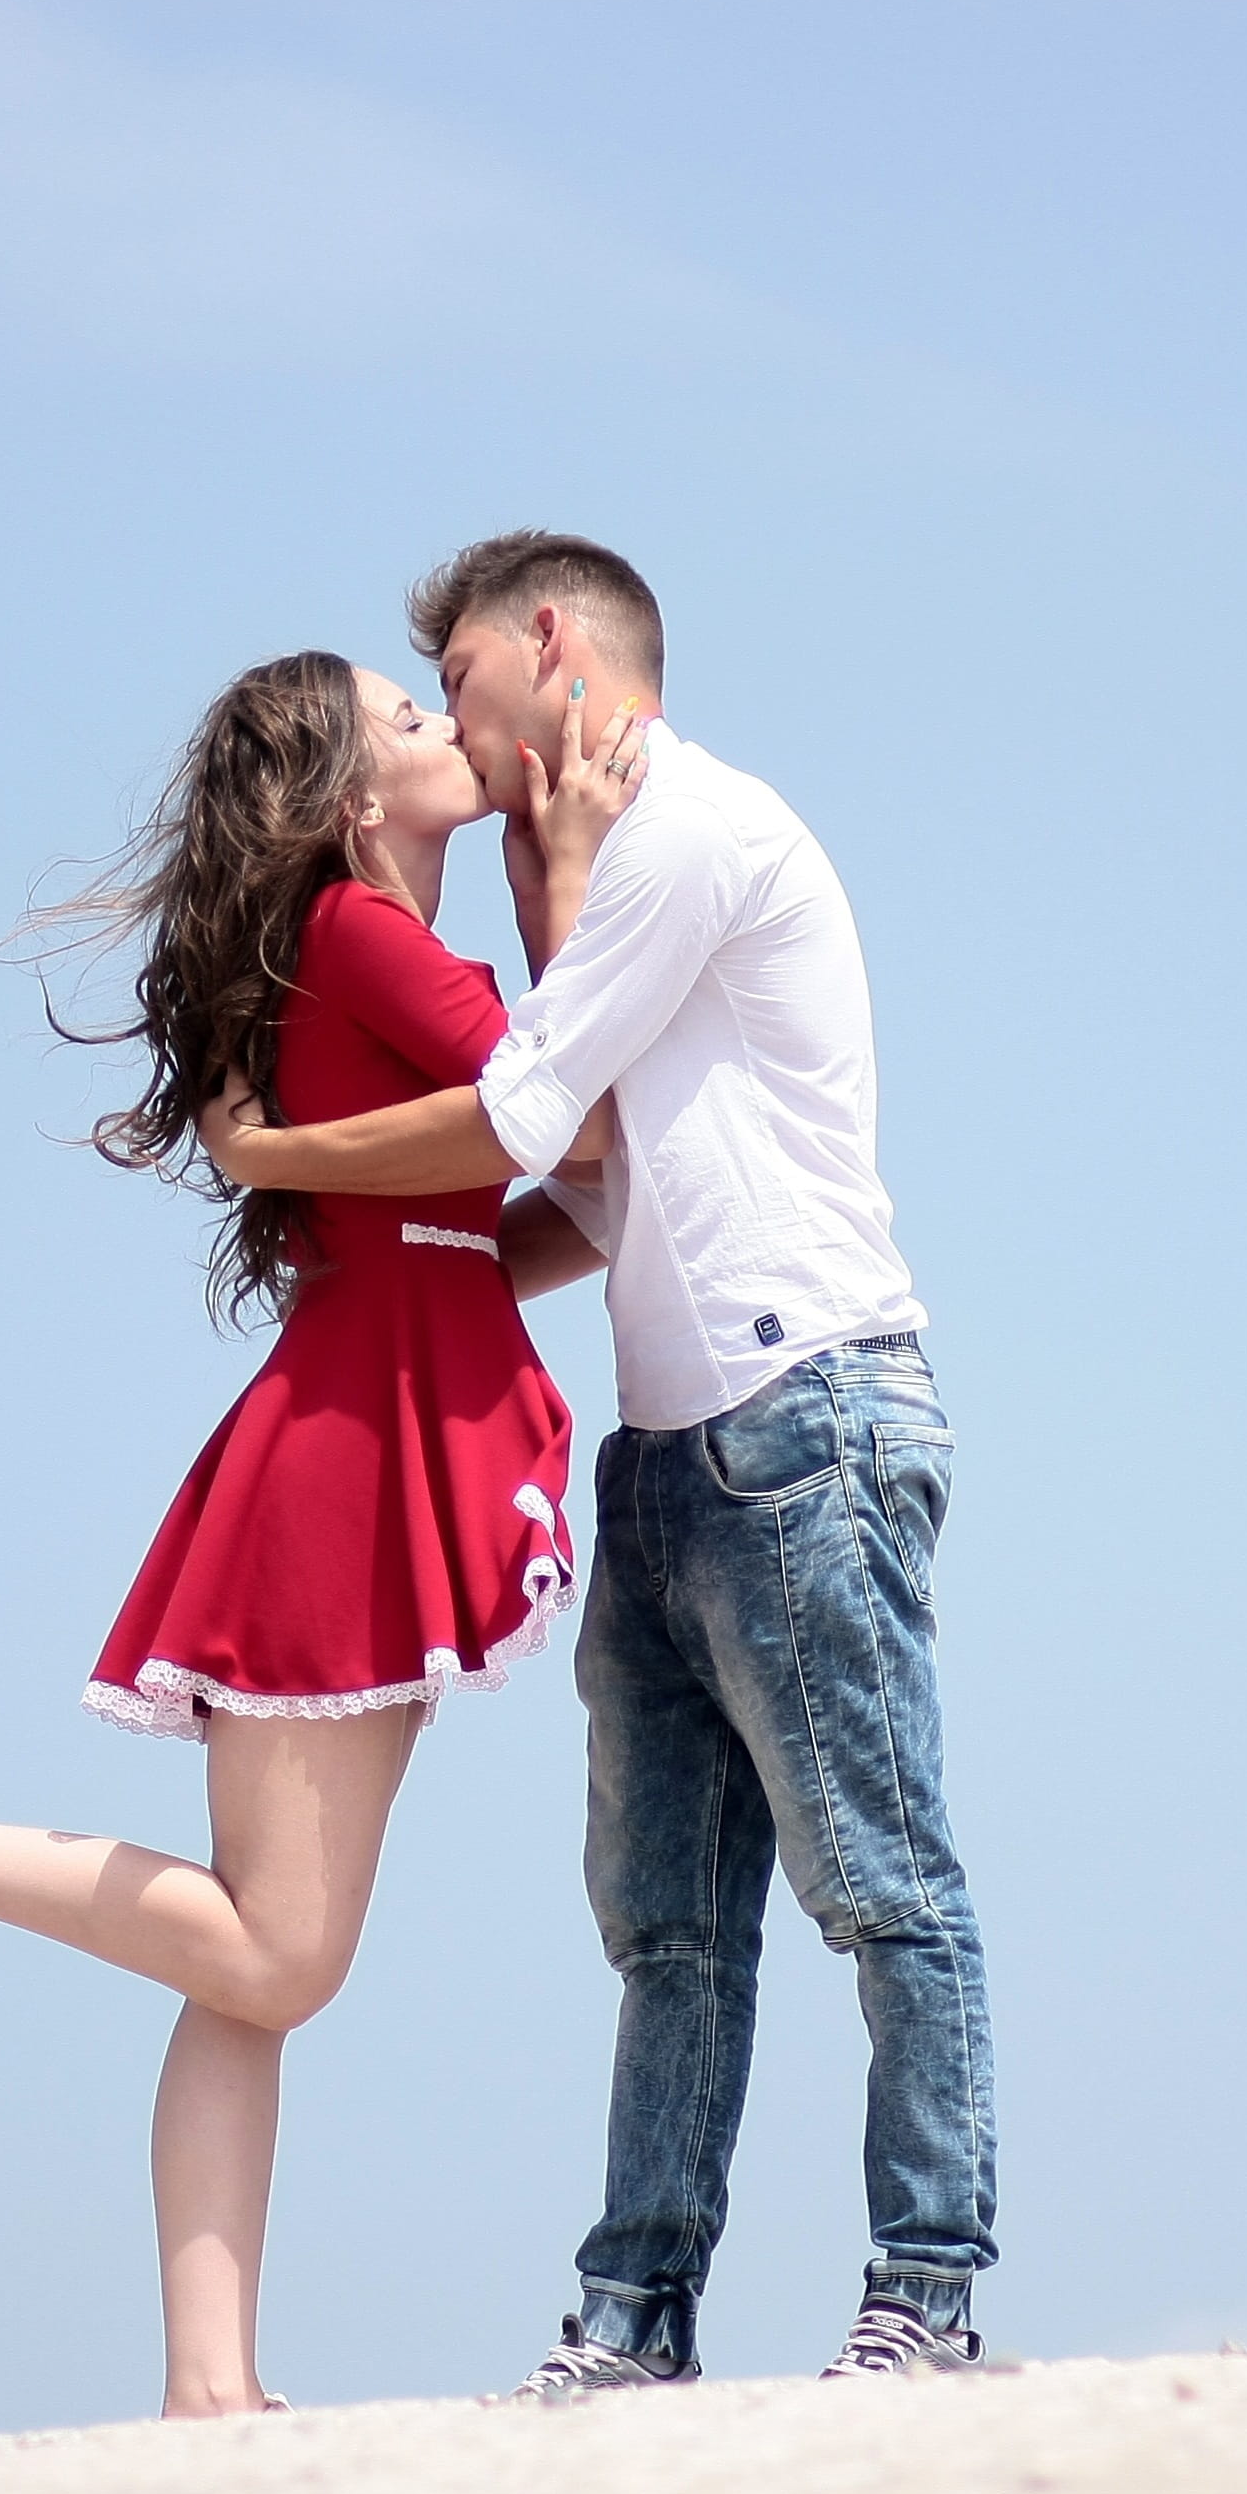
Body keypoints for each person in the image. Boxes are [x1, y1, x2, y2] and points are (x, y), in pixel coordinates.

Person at [0, 647, 643, 2418]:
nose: (446, 727)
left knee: (251, 1954)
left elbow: (503, 1211)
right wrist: (571, 876)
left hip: (378, 1432)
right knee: (280, 1951)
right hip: (355, 1464)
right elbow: (570, 1106)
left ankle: (210, 2386)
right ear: (353, 800)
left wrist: (609, 1202)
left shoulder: (370, 951)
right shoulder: (365, 936)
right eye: (411, 718)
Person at [207, 532, 997, 2392]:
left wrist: (274, 1163)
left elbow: (524, 1111)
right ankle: (636, 2322)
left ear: (549, 641)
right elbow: (591, 1188)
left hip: (805, 1415)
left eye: (457, 685)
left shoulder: (690, 834)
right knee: (670, 1932)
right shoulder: (604, 871)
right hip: (672, 1451)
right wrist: (415, 1278)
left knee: (882, 1884)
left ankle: (929, 2287)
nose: (454, 728)